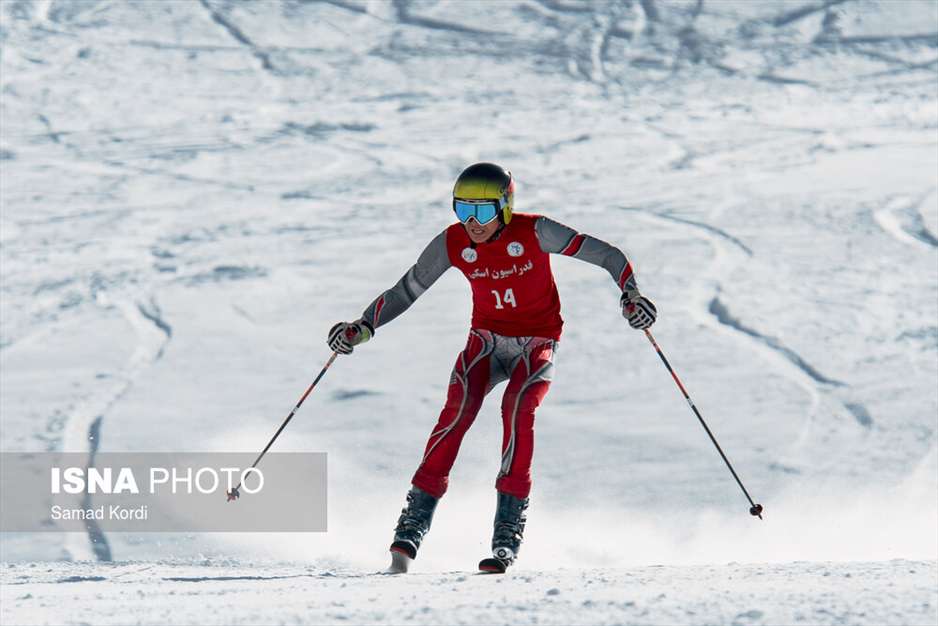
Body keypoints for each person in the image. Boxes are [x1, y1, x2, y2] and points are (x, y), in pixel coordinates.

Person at [327, 162, 656, 573]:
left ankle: (507, 532)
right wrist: (364, 327)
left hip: (536, 345)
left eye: (482, 212)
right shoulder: (452, 243)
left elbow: (609, 255)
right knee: (456, 414)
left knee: (518, 410)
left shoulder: (535, 231)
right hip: (485, 345)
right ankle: (412, 526)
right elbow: (405, 290)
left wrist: (631, 295)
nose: (472, 223)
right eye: (462, 210)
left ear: (505, 207)